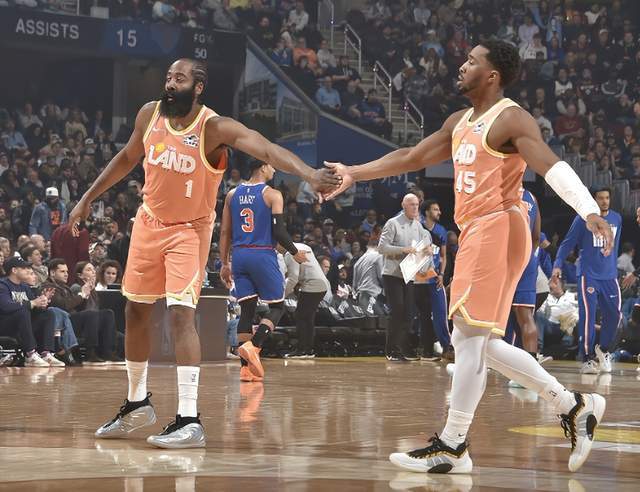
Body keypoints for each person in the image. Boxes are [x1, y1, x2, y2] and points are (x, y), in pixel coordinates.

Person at [325, 40, 612, 473]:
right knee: (477, 341)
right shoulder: (460, 121)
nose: (461, 65)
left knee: (469, 338)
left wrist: (588, 208)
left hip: (498, 224)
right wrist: (354, 172)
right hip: (481, 229)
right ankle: (571, 405)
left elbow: (550, 164)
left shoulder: (511, 118)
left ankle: (454, 444)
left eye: (472, 61)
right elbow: (412, 157)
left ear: (492, 75)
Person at [68, 59, 339, 448]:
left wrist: (310, 175)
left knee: (181, 314)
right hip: (148, 222)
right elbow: (127, 157)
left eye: (179, 79)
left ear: (198, 87)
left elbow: (267, 148)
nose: (170, 83)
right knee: (135, 311)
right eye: (168, 77)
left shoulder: (213, 127)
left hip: (189, 230)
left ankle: (189, 418)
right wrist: (86, 198)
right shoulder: (149, 114)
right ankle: (136, 403)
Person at [219, 159, 307, 381]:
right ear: (263, 167)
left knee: (247, 310)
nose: (274, 170)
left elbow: (225, 232)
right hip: (262, 253)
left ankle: (246, 369)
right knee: (277, 307)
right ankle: (254, 346)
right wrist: (295, 252)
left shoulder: (232, 194)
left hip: (239, 255)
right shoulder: (272, 195)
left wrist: (224, 263)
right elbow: (279, 232)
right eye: (272, 166)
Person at [552, 187, 622, 375]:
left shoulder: (617, 218)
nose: (605, 201)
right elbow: (567, 243)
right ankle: (587, 358)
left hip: (610, 276)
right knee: (588, 318)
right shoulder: (583, 219)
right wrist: (557, 264)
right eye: (601, 198)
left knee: (615, 316)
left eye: (607, 198)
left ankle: (603, 350)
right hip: (588, 275)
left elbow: (615, 247)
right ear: (594, 200)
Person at [378, 193, 433, 361]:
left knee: (408, 313)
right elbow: (382, 248)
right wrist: (403, 249)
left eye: (416, 204)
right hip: (392, 274)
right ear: (404, 205)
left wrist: (427, 250)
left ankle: (400, 349)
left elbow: (424, 246)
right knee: (397, 310)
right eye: (411, 204)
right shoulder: (393, 223)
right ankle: (391, 350)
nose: (415, 208)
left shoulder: (418, 226)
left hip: (408, 274)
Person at [503, 190, 550, 374]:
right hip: (527, 259)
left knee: (491, 316)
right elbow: (537, 236)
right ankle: (531, 371)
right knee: (525, 317)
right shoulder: (532, 196)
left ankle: (478, 364)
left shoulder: (500, 190)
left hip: (504, 257)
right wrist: (527, 253)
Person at [44, 258, 115, 364]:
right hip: (62, 321)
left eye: (67, 271)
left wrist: (86, 293)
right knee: (91, 314)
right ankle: (90, 352)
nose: (66, 274)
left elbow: (75, 305)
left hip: (72, 318)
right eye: (62, 271)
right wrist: (82, 295)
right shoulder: (48, 287)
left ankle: (107, 352)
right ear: (52, 273)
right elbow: (64, 305)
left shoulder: (65, 287)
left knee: (108, 313)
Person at [0, 257, 59, 367]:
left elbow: (33, 306)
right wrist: (32, 303)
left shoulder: (24, 286)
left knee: (48, 313)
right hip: (6, 325)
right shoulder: (3, 285)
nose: (28, 270)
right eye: (24, 268)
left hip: (23, 324)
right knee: (23, 311)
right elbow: (6, 306)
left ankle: (46, 353)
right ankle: (30, 354)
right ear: (14, 270)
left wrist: (42, 303)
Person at [279, 242, 330, 358]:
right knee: (308, 318)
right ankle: (308, 349)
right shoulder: (303, 246)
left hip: (312, 284)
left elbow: (293, 278)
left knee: (300, 316)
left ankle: (301, 350)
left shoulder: (290, 253)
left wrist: (282, 295)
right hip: (321, 284)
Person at [420, 199, 453, 360]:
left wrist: (441, 274)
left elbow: (443, 256)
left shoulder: (441, 230)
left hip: (435, 279)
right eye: (435, 209)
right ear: (427, 212)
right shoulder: (418, 227)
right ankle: (422, 348)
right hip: (419, 279)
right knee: (422, 316)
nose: (439, 212)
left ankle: (447, 347)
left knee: (441, 313)